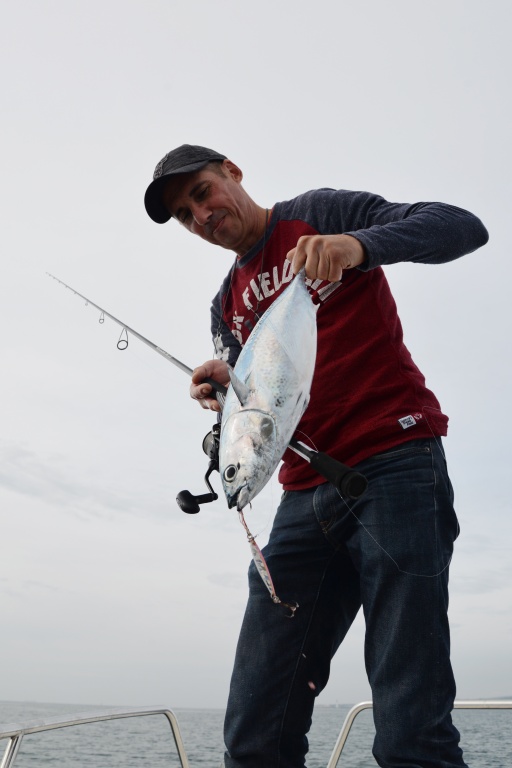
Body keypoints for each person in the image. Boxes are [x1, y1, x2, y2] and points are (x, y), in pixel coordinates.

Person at [144, 145, 489, 768]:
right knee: (255, 730)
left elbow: (462, 226)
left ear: (232, 173)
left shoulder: (320, 214)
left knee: (410, 727)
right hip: (304, 495)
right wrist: (224, 388)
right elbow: (261, 394)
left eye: (201, 193)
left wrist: (357, 246)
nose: (200, 216)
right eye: (184, 216)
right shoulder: (225, 304)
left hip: (395, 464)